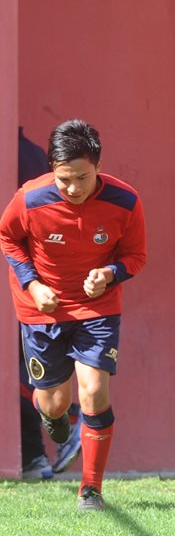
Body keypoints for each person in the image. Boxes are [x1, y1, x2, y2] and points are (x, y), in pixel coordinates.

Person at [1, 120, 148, 510]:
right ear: (52, 168)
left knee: (95, 391)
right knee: (52, 403)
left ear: (98, 166)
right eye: (64, 178)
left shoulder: (126, 201)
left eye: (82, 177)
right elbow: (7, 238)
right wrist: (33, 285)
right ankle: (55, 418)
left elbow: (136, 256)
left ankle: (91, 490)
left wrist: (110, 273)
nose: (72, 188)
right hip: (42, 310)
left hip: (97, 307)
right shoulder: (29, 199)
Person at [16, 127, 83, 480]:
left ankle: (59, 432)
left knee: (29, 369)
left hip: (40, 289)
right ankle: (40, 451)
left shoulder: (20, 157)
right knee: (31, 368)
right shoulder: (27, 153)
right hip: (39, 286)